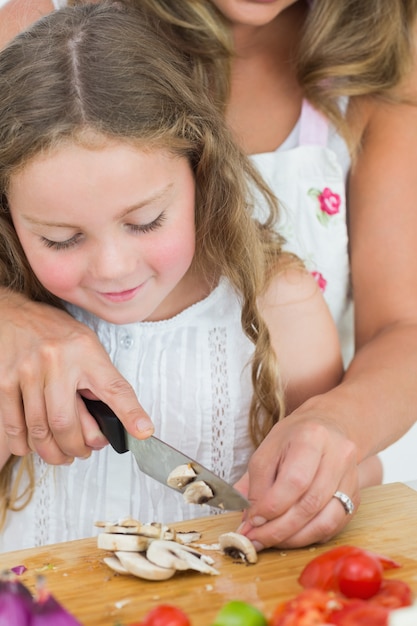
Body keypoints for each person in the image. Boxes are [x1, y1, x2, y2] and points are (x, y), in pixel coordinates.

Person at [0, 0, 414, 549]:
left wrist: (339, 440)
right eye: (60, 238)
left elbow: (401, 328)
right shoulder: (32, 34)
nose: (114, 267)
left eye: (146, 221)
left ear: (205, 173)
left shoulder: (286, 305)